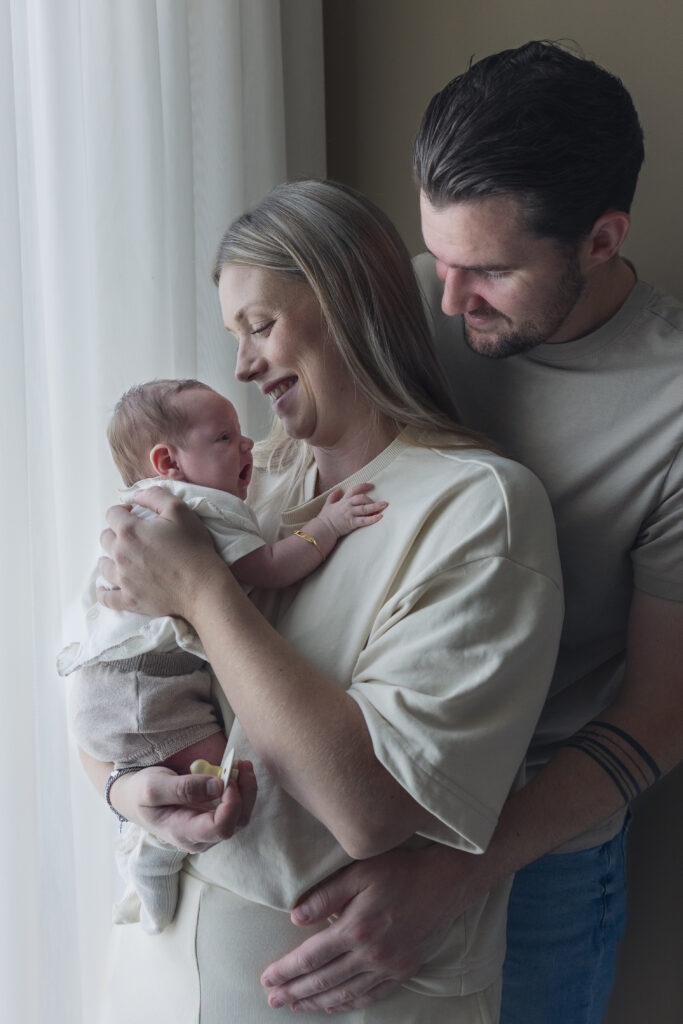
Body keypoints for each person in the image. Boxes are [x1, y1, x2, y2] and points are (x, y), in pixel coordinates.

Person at [253, 42, 683, 1024]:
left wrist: (453, 874)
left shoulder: (668, 410)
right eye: (435, 258)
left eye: (484, 271)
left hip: (534, 850)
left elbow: (659, 711)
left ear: (599, 239)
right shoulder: (389, 302)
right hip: (326, 793)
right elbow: (249, 505)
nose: (442, 302)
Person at [84, 179, 564, 1023]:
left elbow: (368, 807)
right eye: (235, 334)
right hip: (155, 974)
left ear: (348, 306)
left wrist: (203, 590)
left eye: (260, 326)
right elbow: (101, 673)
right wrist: (129, 789)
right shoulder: (236, 484)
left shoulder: (474, 506)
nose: (240, 365)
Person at [60, 377, 386, 933]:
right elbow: (269, 568)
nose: (248, 447)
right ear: (167, 461)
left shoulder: (135, 511)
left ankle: (142, 843)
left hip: (109, 687)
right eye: (225, 437)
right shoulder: (195, 509)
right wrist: (326, 526)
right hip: (145, 687)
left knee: (174, 776)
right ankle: (153, 856)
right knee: (214, 787)